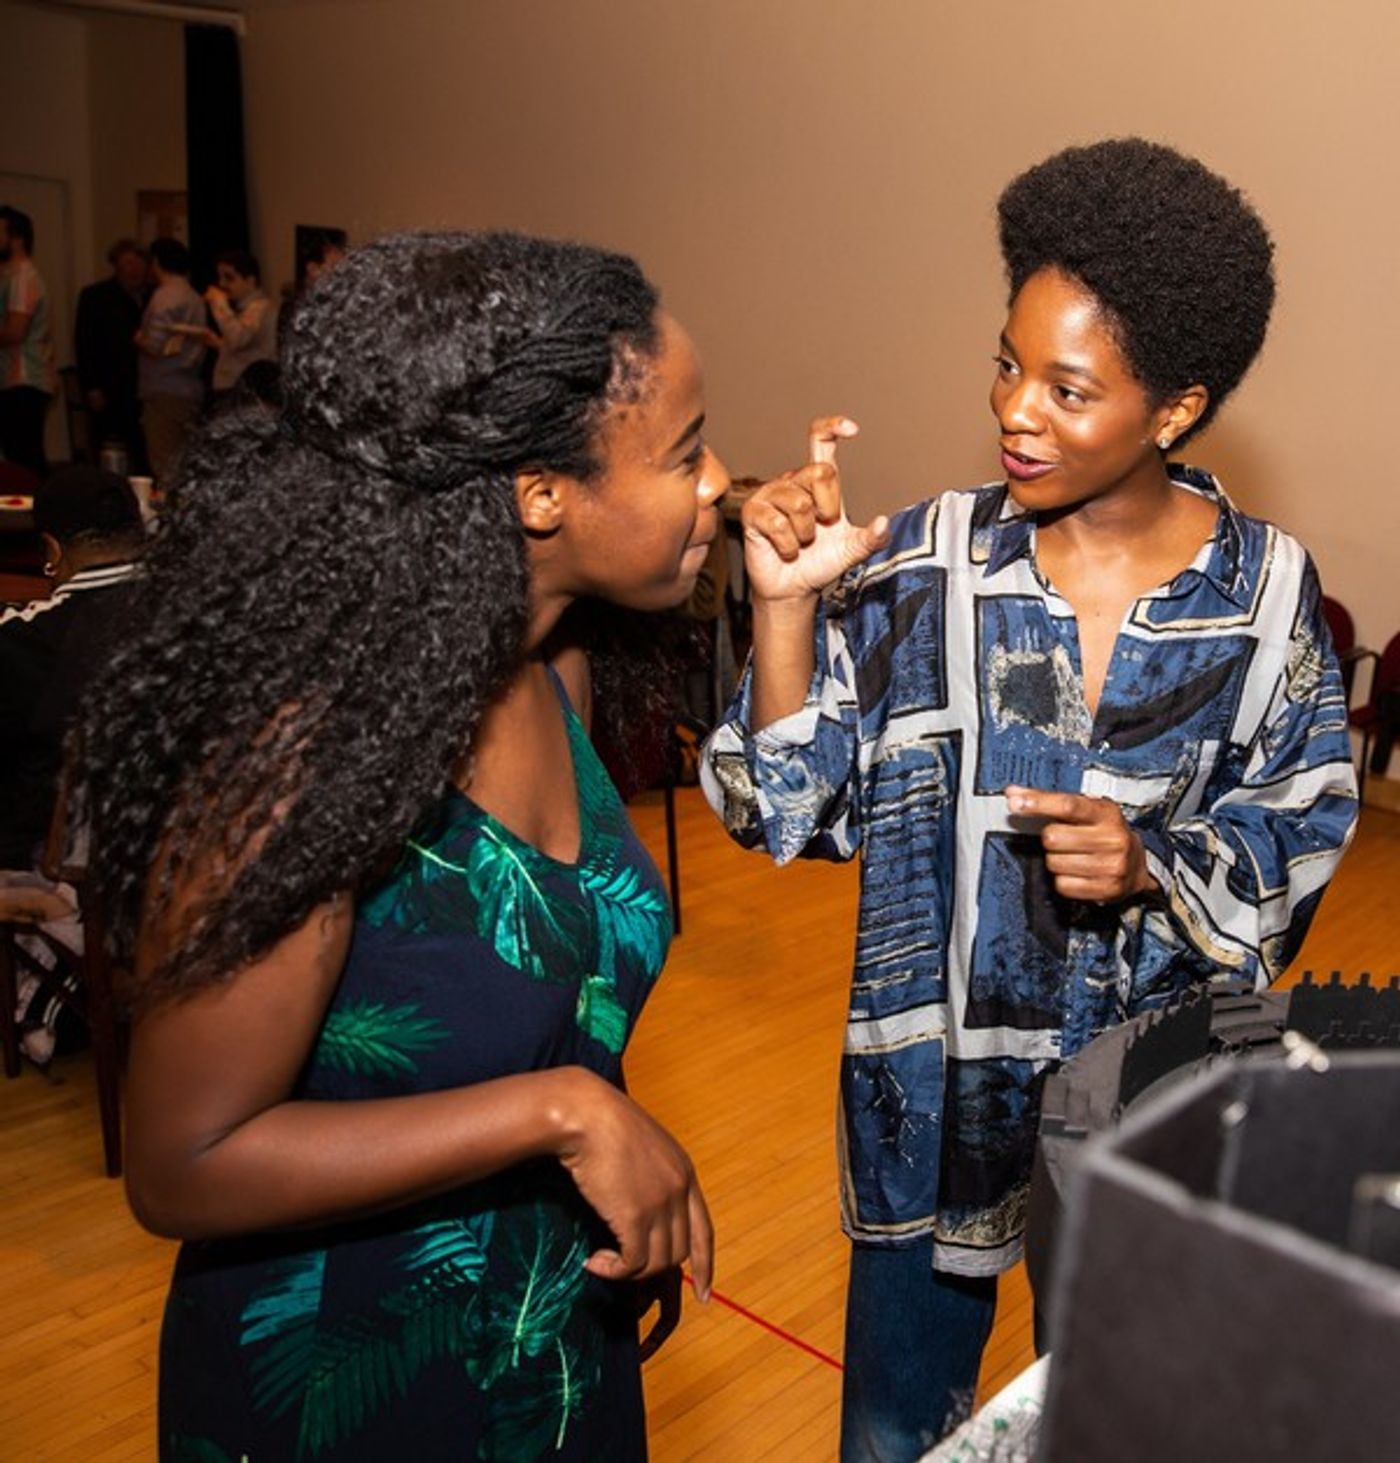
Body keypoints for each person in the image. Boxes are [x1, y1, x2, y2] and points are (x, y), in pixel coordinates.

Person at [700, 138, 1359, 1460]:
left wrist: (1156, 862)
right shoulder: (933, 559)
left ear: (1173, 408)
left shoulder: (1263, 590)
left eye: (1067, 389)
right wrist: (782, 612)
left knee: (1118, 1420)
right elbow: (780, 806)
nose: (1016, 411)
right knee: (893, 1430)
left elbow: (1305, 816)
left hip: (1143, 1104)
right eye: (1006, 364)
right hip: (930, 1093)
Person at [77, 231, 726, 1461]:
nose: (717, 481)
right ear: (538, 493)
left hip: (552, 1338)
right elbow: (181, 1163)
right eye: (685, 452)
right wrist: (560, 1112)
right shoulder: (294, 759)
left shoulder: (555, 669)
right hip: (346, 1378)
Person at [1, 464, 144, 1065]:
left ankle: (45, 993)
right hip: (188, 860)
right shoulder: (207, 615)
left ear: (52, 551)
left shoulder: (23, 640)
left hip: (81, 872)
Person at [135, 236, 205, 489]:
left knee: (164, 464)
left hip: (164, 387)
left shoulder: (164, 297)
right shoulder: (194, 297)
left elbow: (155, 344)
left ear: (156, 262)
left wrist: (139, 338)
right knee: (184, 464)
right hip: (189, 386)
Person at [74, 238, 150, 471]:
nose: (135, 269)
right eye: (128, 263)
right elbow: (84, 343)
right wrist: (91, 386)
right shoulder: (96, 297)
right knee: (109, 448)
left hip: (146, 386)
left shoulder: (153, 296)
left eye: (139, 263)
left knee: (144, 450)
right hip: (110, 385)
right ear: (116, 266)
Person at [0, 205, 58, 476]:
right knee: (19, 453)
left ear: (16, 238)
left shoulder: (22, 277)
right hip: (15, 378)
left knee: (24, 457)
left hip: (24, 378)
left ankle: (39, 502)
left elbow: (15, 331)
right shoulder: (10, 276)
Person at [201, 247, 277, 403]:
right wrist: (219, 344)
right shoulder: (246, 308)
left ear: (250, 281)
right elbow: (248, 348)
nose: (222, 284)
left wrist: (219, 304)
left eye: (229, 278)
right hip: (237, 390)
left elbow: (238, 338)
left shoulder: (260, 307)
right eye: (220, 278)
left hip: (246, 393)